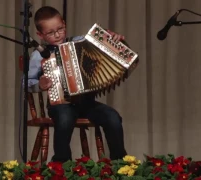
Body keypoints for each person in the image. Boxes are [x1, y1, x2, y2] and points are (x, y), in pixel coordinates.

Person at [28, 6, 127, 162]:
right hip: (61, 104)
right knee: (65, 117)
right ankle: (61, 163)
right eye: (51, 32)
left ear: (64, 24)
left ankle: (119, 162)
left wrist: (112, 39)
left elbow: (100, 42)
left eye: (60, 29)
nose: (57, 34)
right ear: (40, 35)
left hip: (87, 103)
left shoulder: (79, 42)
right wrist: (40, 84)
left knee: (112, 117)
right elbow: (27, 83)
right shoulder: (38, 55)